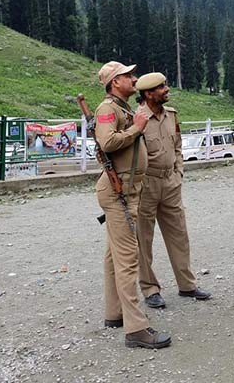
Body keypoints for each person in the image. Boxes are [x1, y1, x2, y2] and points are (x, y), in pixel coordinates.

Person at [93, 61, 171, 349]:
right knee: (128, 259)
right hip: (118, 191)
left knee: (115, 254)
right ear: (115, 82)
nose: (133, 79)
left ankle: (114, 313)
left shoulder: (122, 107)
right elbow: (107, 142)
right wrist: (137, 129)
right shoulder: (107, 109)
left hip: (128, 187)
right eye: (128, 76)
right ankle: (136, 329)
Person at [134, 72, 211, 310]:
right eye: (161, 87)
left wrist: (179, 173)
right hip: (145, 185)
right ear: (148, 94)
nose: (166, 89)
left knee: (179, 235)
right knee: (143, 240)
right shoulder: (135, 118)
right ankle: (150, 289)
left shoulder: (171, 115)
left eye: (166, 85)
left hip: (170, 184)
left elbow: (177, 145)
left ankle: (187, 285)